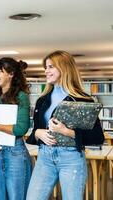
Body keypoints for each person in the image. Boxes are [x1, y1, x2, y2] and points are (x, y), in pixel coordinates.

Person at [26, 50, 104, 200]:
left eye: (51, 67)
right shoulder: (42, 100)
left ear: (64, 68)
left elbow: (97, 137)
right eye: (46, 67)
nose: (46, 71)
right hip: (45, 157)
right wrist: (37, 133)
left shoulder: (83, 100)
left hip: (71, 158)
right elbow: (36, 129)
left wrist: (67, 131)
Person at [0, 57, 32, 200]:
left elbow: (20, 129)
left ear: (11, 74)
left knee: (16, 196)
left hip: (15, 153)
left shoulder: (21, 96)